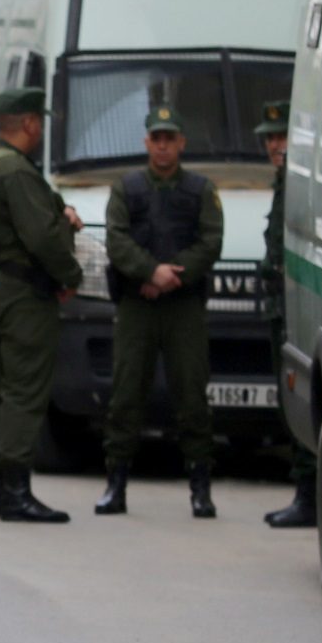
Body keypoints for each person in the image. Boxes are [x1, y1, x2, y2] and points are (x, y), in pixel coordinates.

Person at [95, 106, 223, 519]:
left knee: (192, 395)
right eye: (157, 138)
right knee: (126, 393)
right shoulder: (126, 188)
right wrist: (150, 271)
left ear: (181, 143)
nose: (163, 146)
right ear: (147, 142)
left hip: (183, 306)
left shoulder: (200, 190)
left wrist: (170, 276)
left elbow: (211, 242)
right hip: (138, 305)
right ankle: (116, 483)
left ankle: (200, 487)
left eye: (170, 138)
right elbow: (116, 239)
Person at [0, 87, 82, 523]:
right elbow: (42, 237)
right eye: (40, 123)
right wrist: (70, 275)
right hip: (24, 293)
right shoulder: (16, 170)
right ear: (30, 123)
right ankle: (16, 492)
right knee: (23, 391)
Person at [255, 103, 314, 528]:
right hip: (281, 307)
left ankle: (309, 494)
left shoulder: (300, 184)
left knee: (300, 398)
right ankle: (304, 492)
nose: (276, 144)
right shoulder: (283, 181)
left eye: (282, 136)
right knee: (288, 400)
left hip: (297, 309)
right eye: (270, 138)